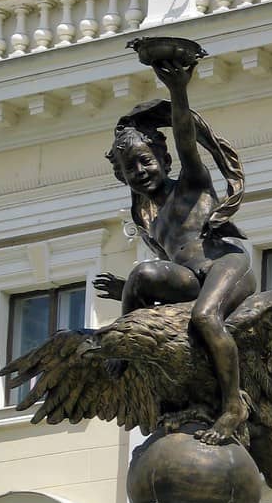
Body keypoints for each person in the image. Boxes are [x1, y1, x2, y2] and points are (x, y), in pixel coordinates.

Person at [94, 57, 256, 444]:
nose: (140, 172)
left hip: (223, 264)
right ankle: (123, 345)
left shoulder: (191, 185)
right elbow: (164, 270)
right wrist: (130, 292)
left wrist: (178, 90)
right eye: (130, 169)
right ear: (122, 176)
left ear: (164, 160)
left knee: (204, 318)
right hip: (189, 279)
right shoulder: (149, 218)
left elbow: (185, 135)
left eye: (146, 161)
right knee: (141, 274)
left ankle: (234, 406)